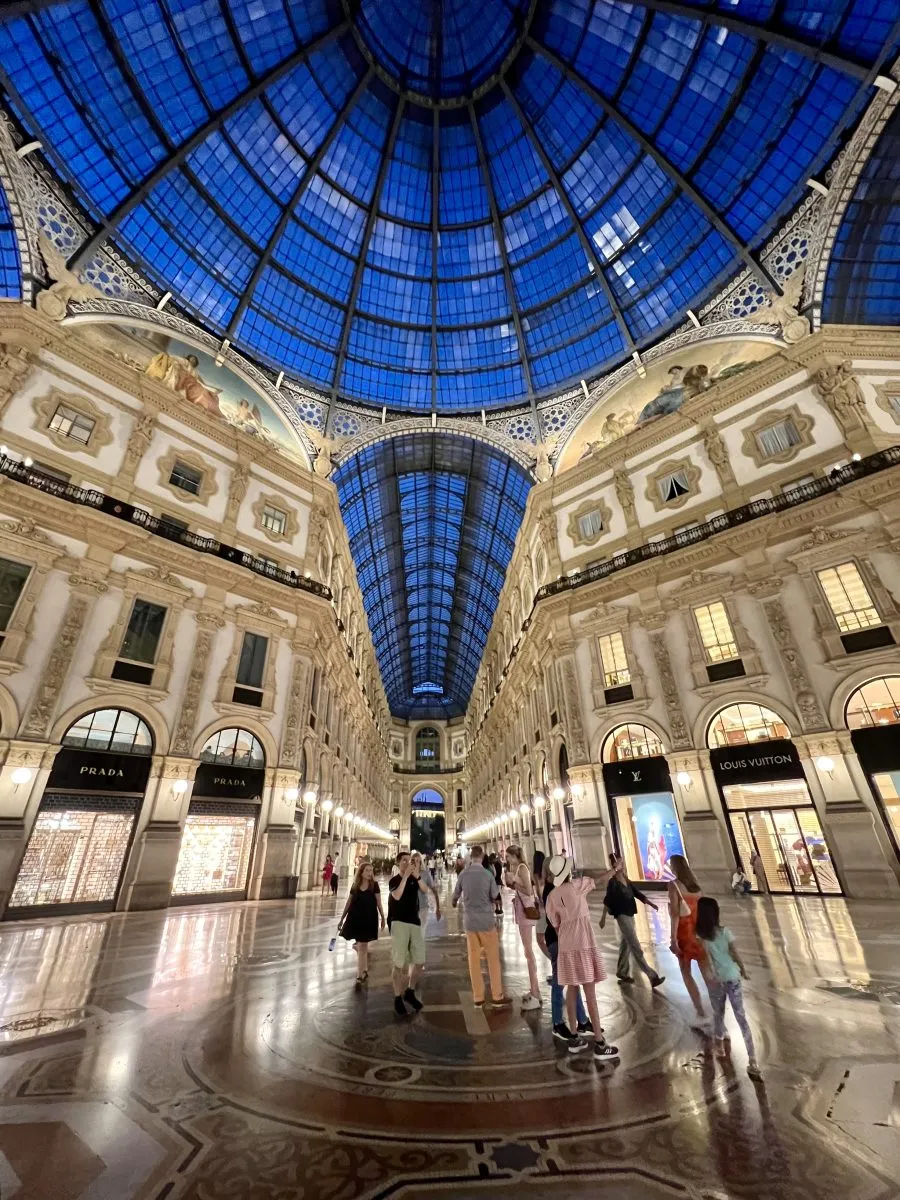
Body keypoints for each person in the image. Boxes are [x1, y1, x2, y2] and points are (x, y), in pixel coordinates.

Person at [545, 855, 619, 1062]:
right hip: (584, 943)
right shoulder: (577, 886)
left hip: (566, 945)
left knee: (571, 990)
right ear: (568, 872)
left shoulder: (551, 896)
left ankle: (575, 1038)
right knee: (590, 994)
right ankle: (599, 1042)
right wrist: (615, 869)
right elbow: (600, 880)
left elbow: (555, 922)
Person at [695, 897, 761, 1080]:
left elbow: (707, 960)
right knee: (741, 1017)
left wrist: (711, 976)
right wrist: (744, 970)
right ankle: (753, 1059)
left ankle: (719, 1045)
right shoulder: (725, 932)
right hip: (733, 977)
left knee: (719, 1013)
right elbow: (734, 953)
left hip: (719, 981)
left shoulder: (703, 938)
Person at [537, 858, 590, 1052]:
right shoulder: (552, 891)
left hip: (562, 940)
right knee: (560, 983)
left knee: (572, 982)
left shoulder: (553, 888)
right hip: (559, 941)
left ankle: (582, 1020)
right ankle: (558, 1023)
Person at [452, 844, 512, 1008]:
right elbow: (495, 896)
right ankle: (497, 995)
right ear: (483, 856)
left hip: (470, 923)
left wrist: (455, 901)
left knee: (474, 960)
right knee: (493, 959)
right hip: (486, 922)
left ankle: (478, 997)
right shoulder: (487, 874)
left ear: (471, 856)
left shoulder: (463, 874)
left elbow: (455, 895)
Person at [600, 853, 665, 987]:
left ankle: (622, 971)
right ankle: (652, 976)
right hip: (622, 915)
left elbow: (636, 892)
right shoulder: (613, 882)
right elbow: (608, 900)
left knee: (626, 943)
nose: (622, 866)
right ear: (615, 865)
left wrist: (650, 903)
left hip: (630, 914)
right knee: (635, 946)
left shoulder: (625, 879)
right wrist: (603, 918)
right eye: (619, 863)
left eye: (622, 863)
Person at [668, 853, 707, 1025]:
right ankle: (716, 1006)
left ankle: (700, 1011)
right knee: (707, 973)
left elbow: (675, 915)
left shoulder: (674, 885)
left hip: (684, 934)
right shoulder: (697, 888)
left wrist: (673, 939)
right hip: (699, 934)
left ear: (674, 867)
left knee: (686, 973)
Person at [388, 850, 428, 1017]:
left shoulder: (414, 879)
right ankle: (398, 997)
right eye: (404, 860)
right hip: (399, 923)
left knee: (419, 961)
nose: (407, 863)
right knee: (399, 963)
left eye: (409, 860)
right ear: (398, 864)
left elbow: (425, 890)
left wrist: (417, 875)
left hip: (414, 923)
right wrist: (405, 877)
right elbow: (397, 896)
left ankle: (410, 992)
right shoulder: (395, 880)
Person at [504, 845, 542, 1011]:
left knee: (528, 953)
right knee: (527, 952)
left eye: (508, 856)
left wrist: (513, 883)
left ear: (514, 856)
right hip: (521, 911)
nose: (507, 860)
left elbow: (528, 889)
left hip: (526, 914)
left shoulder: (522, 868)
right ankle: (534, 991)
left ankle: (535, 993)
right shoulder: (519, 868)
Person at [338, 862, 385, 987]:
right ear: (361, 873)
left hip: (369, 918)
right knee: (362, 945)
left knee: (363, 945)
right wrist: (342, 919)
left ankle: (361, 973)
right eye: (367, 871)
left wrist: (383, 917)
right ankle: (362, 972)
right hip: (356, 918)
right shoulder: (355, 886)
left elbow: (379, 903)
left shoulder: (374, 886)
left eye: (371, 871)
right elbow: (349, 903)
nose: (370, 873)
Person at [411, 851, 441, 928]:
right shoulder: (408, 874)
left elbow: (434, 891)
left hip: (423, 908)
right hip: (410, 909)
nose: (416, 863)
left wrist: (438, 909)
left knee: (421, 934)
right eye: (413, 861)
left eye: (418, 861)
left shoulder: (426, 874)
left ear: (421, 862)